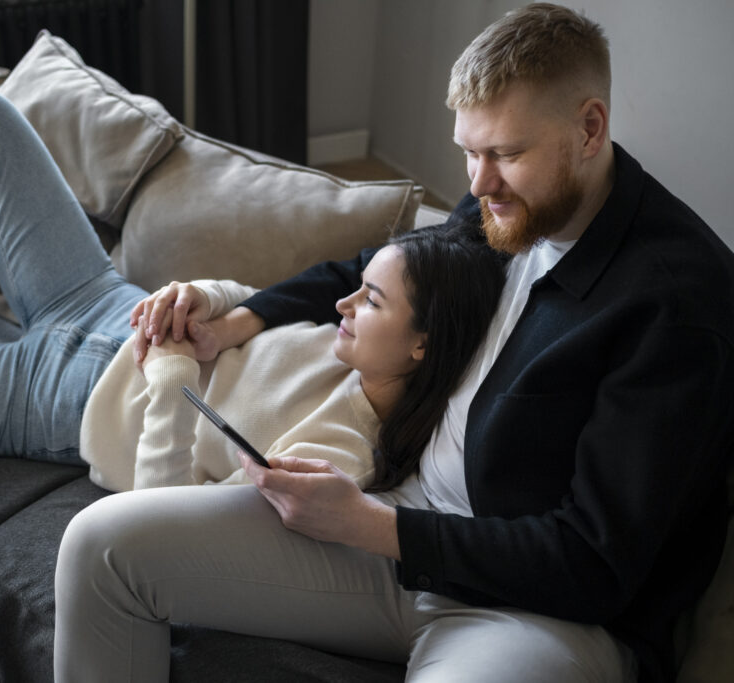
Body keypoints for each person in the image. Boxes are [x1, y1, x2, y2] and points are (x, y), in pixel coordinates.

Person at [55, 4, 734, 682]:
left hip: (541, 614)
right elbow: (371, 271)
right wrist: (236, 318)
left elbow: (594, 566)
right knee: (101, 544)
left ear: (590, 128)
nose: (477, 183)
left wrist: (370, 526)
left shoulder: (675, 302)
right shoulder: (506, 205)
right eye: (469, 151)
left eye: (506, 154)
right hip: (401, 523)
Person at [0, 86, 503, 495]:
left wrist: (170, 384)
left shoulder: (341, 452)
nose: (342, 300)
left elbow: (166, 523)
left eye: (368, 298)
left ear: (422, 342)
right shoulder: (347, 336)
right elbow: (254, 300)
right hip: (100, 300)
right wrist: (205, 299)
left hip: (57, 397)